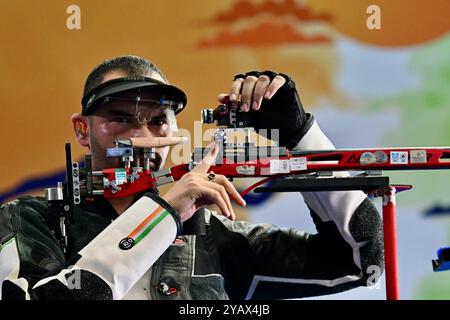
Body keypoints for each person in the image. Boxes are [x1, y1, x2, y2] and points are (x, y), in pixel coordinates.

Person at [0, 55, 383, 300]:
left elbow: (363, 260)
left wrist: (301, 136)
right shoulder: (29, 219)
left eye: (158, 121)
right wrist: (162, 214)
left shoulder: (218, 238)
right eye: (121, 118)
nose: (143, 137)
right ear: (82, 130)